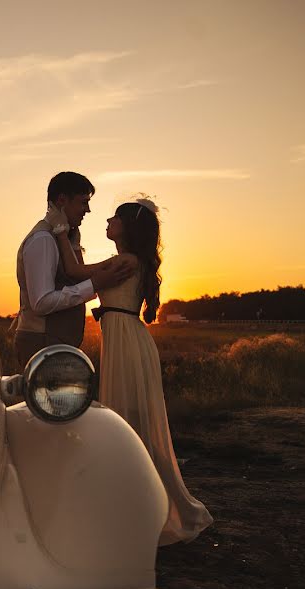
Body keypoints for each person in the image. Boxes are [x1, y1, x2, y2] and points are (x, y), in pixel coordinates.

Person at [48, 197, 213, 546]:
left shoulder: (124, 260)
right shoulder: (130, 260)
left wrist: (62, 233)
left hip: (126, 341)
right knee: (132, 426)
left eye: (114, 218)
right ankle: (141, 506)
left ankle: (149, 509)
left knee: (129, 427)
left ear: (128, 227)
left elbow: (75, 274)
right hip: (127, 339)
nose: (107, 220)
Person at [13, 172, 135, 368]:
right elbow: (41, 302)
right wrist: (95, 285)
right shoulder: (42, 240)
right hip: (41, 343)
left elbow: (76, 271)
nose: (87, 210)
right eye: (83, 202)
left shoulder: (66, 237)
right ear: (62, 200)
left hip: (54, 342)